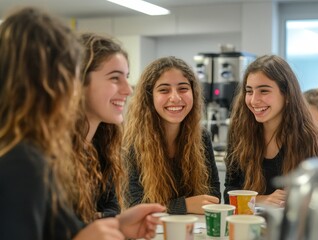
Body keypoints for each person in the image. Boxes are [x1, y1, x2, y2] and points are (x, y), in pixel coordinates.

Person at [0, 6, 164, 240]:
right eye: (70, 73)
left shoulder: (35, 153)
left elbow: (59, 229)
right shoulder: (22, 159)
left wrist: (117, 225)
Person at [224, 55, 318, 207]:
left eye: (264, 91)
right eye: (249, 91)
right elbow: (230, 193)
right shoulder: (240, 133)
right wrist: (261, 200)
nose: (254, 100)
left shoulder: (307, 137)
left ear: (287, 95)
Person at [123, 56, 221, 214]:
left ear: (193, 93)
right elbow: (135, 206)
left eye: (183, 88)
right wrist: (185, 206)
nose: (175, 98)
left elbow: (213, 197)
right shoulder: (130, 143)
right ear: (149, 96)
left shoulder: (202, 137)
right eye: (164, 90)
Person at [71, 32, 133, 223]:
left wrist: (121, 224)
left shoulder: (102, 143)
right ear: (79, 82)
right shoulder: (48, 155)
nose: (128, 89)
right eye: (115, 78)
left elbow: (111, 207)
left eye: (127, 77)